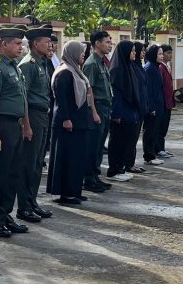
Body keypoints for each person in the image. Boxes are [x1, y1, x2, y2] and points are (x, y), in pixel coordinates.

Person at [0, 26, 32, 238]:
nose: (21, 47)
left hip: (15, 125)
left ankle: (6, 216)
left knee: (13, 174)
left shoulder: (14, 67)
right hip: (2, 125)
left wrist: (26, 126)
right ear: (3, 44)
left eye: (21, 44)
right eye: (17, 44)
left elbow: (22, 99)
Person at [47, 40, 98, 205]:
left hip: (79, 122)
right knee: (68, 158)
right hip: (67, 124)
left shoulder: (76, 71)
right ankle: (66, 193)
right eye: (80, 52)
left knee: (77, 158)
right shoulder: (64, 72)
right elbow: (61, 99)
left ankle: (74, 191)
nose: (83, 55)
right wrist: (66, 119)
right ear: (72, 53)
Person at [16, 25, 56, 223]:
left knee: (38, 163)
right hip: (32, 115)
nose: (50, 45)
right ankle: (23, 206)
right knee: (28, 163)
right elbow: (23, 96)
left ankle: (32, 202)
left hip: (42, 115)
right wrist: (26, 124)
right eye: (46, 42)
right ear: (35, 44)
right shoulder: (28, 64)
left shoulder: (42, 63)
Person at [83, 30, 114, 192]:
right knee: (93, 146)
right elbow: (89, 91)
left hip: (105, 108)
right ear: (97, 43)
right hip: (97, 108)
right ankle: (89, 179)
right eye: (107, 42)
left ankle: (95, 176)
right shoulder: (91, 63)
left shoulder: (101, 62)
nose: (110, 45)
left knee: (100, 145)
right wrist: (94, 112)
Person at [107, 41, 141, 181]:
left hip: (130, 112)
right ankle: (113, 170)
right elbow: (116, 95)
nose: (134, 53)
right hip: (120, 113)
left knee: (125, 142)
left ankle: (120, 168)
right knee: (117, 142)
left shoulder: (129, 67)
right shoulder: (117, 70)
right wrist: (116, 114)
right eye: (132, 51)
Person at [125, 42, 149, 174]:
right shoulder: (132, 67)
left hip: (140, 108)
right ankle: (128, 164)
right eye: (142, 50)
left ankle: (131, 163)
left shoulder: (139, 66)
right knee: (130, 138)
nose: (143, 53)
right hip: (134, 108)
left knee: (134, 138)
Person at [141, 45, 166, 166]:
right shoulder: (149, 68)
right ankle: (149, 155)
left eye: (162, 54)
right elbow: (148, 90)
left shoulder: (156, 67)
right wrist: (151, 107)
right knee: (150, 132)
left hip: (158, 105)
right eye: (159, 54)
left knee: (155, 131)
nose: (162, 56)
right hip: (153, 107)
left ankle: (153, 153)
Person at [157, 44, 175, 158]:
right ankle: (158, 149)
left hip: (168, 101)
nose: (170, 55)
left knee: (165, 126)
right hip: (162, 102)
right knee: (160, 127)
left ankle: (162, 148)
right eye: (168, 53)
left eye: (171, 52)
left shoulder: (168, 66)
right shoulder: (160, 67)